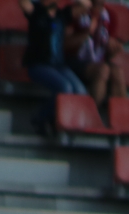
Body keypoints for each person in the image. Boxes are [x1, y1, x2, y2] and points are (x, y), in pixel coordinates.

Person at [17, 0, 85, 129]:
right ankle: (41, 118)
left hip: (58, 65)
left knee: (80, 91)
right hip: (38, 64)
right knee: (65, 88)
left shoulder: (62, 14)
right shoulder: (36, 11)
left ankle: (60, 122)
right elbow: (23, 3)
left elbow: (85, 5)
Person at [64, 0, 125, 104]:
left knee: (118, 72)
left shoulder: (111, 15)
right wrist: (87, 33)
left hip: (96, 61)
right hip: (73, 60)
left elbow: (107, 55)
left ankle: (121, 116)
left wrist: (113, 50)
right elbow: (63, 44)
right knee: (102, 69)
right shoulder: (76, 11)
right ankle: (92, 113)